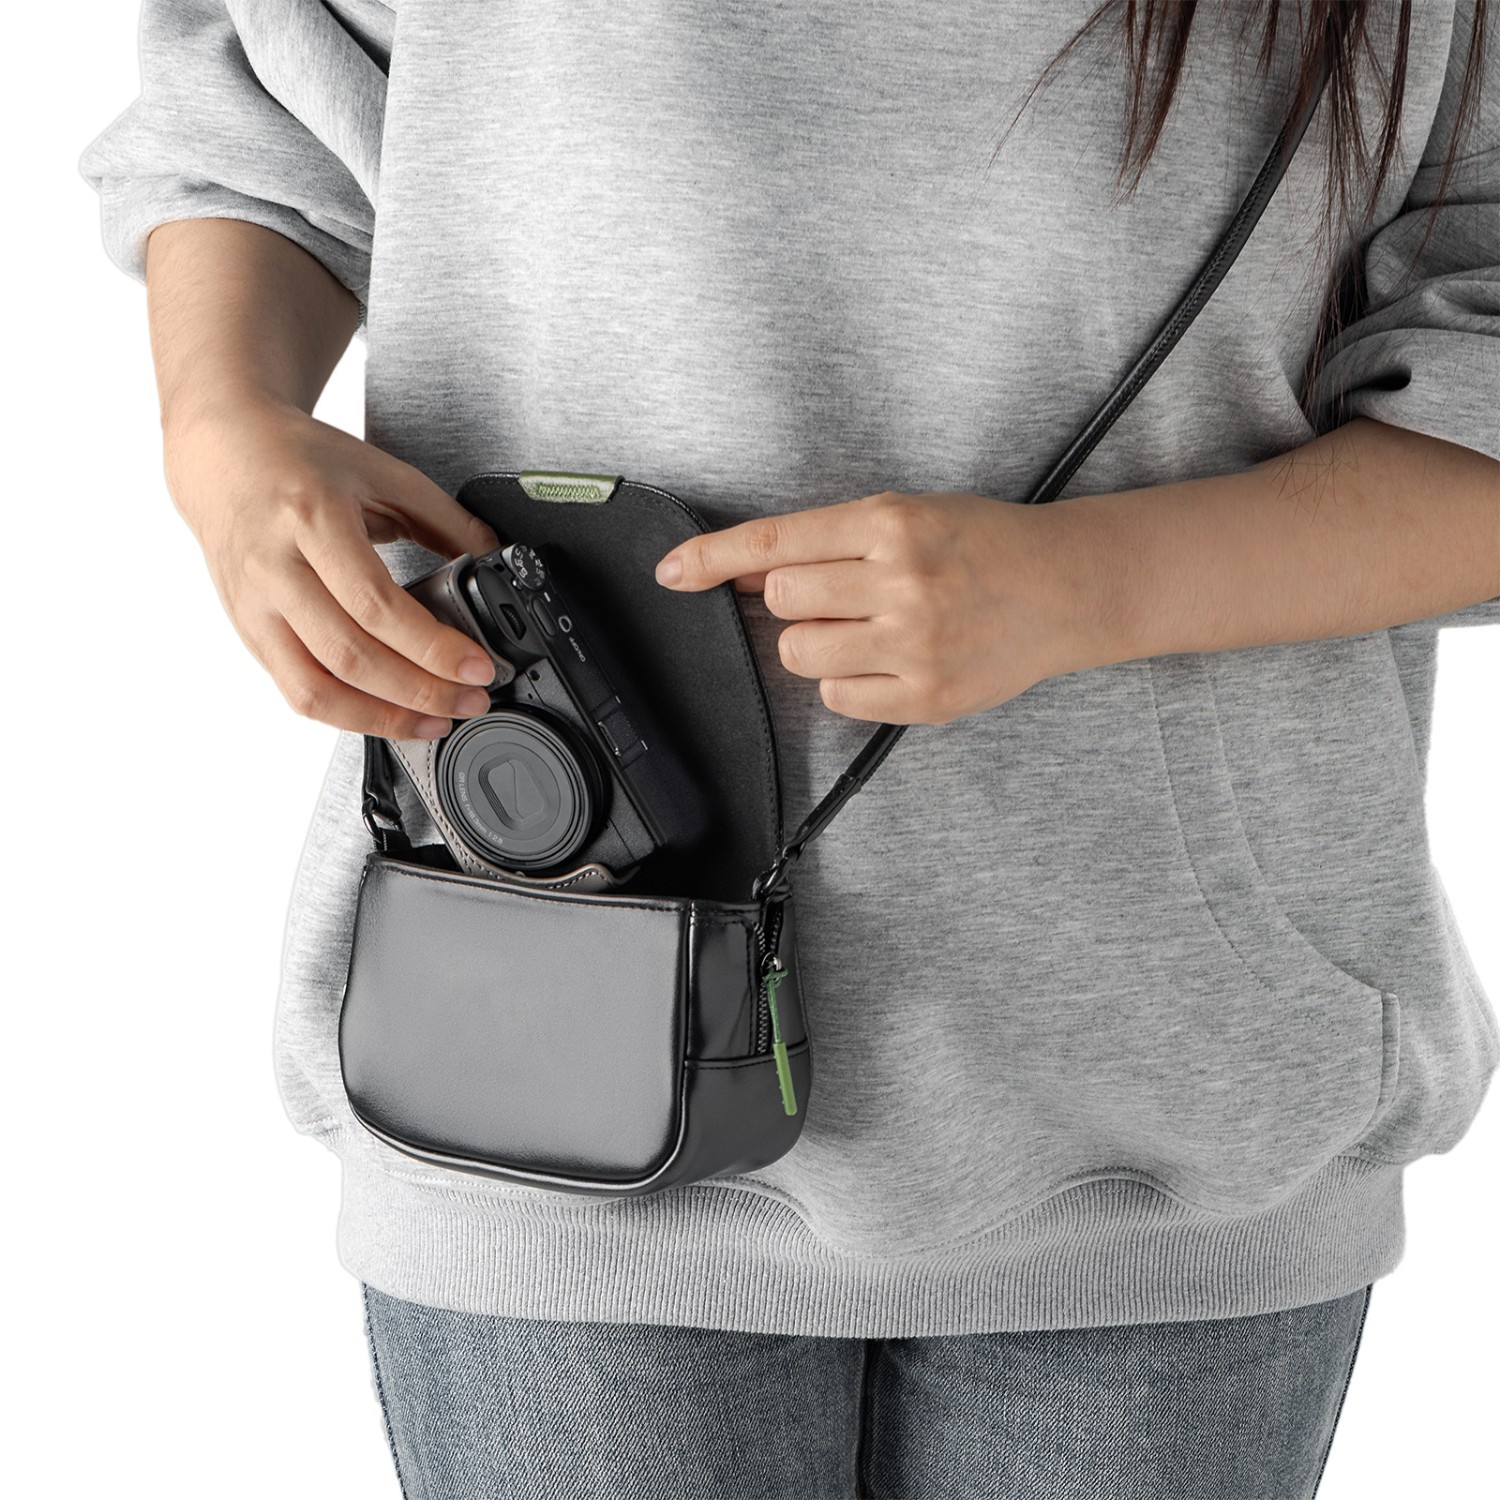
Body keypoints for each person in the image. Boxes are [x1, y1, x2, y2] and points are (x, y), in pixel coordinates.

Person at [79, 2, 1498, 1497]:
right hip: (543, 1066)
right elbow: (259, 118)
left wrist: (1087, 587)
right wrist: (222, 424)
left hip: (1177, 1103)